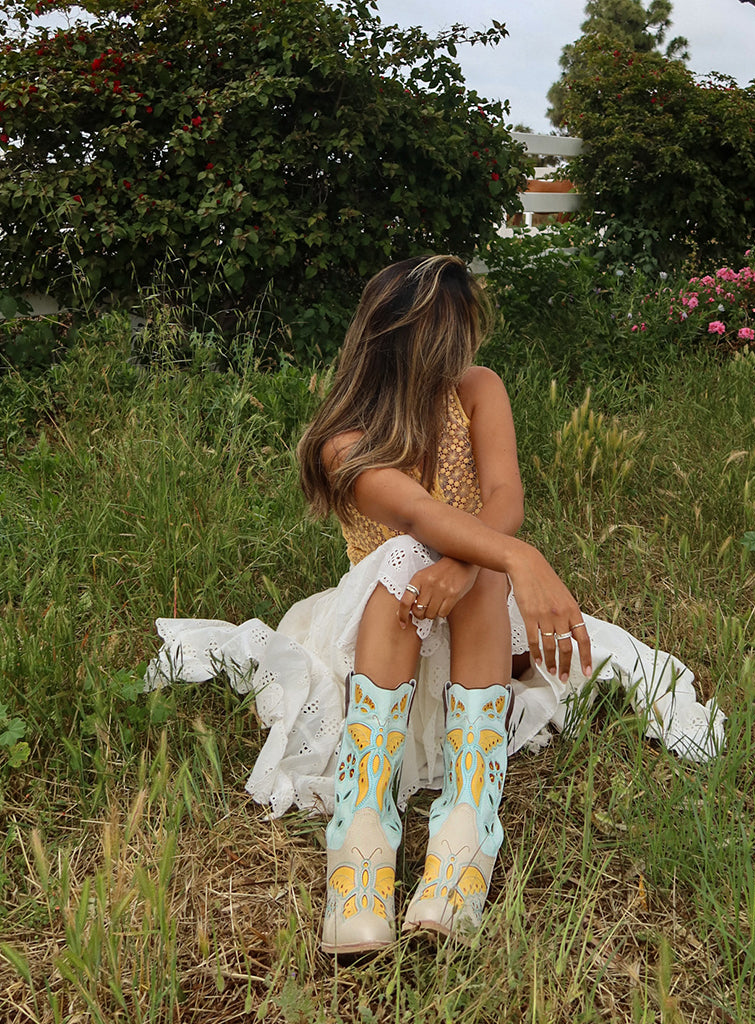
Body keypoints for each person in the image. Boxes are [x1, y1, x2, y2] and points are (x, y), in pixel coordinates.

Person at [145, 255, 724, 955]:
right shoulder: (344, 442)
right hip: (378, 633)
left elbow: (503, 496)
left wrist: (474, 562)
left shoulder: (477, 389)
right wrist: (517, 558)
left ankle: (466, 829)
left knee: (474, 568)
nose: (462, 350)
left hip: (474, 619)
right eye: (448, 334)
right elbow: (420, 518)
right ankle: (360, 838)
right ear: (395, 340)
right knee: (408, 555)